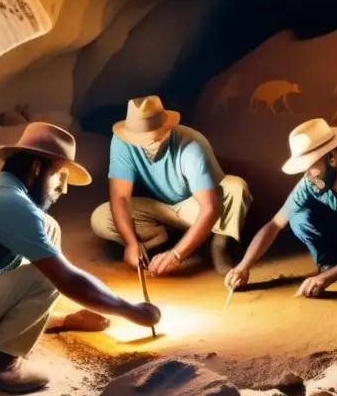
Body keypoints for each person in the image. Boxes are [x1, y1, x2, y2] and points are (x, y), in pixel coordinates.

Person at [0, 122, 161, 394]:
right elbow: (67, 279)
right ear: (37, 168)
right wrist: (130, 310)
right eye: (60, 176)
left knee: (48, 227)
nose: (63, 189)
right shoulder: (11, 205)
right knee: (46, 278)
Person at [224, 118, 337, 297]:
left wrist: (326, 279)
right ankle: (330, 264)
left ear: (331, 159)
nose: (307, 176)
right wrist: (242, 267)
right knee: (298, 217)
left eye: (310, 168)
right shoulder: (312, 179)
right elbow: (275, 224)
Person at [90, 95, 251, 277]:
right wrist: (131, 243)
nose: (147, 142)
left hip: (195, 207)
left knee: (237, 188)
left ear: (167, 129)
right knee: (101, 218)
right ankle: (161, 237)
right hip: (160, 209)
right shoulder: (122, 141)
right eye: (140, 137)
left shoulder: (191, 144)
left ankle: (218, 246)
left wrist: (177, 254)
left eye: (154, 136)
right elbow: (120, 196)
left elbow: (210, 207)